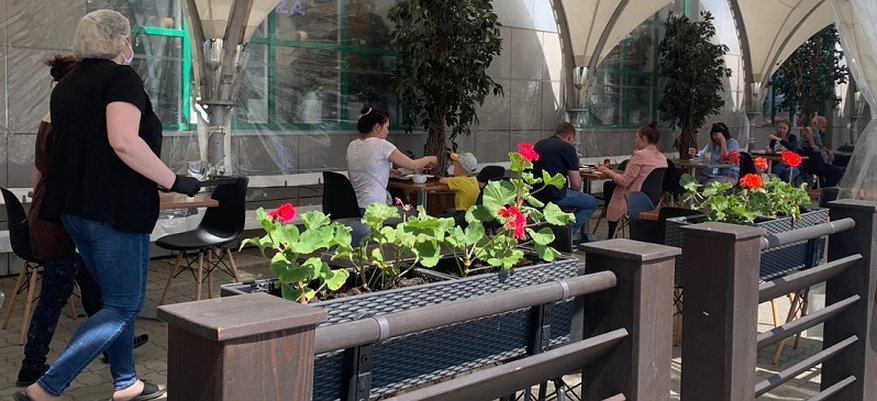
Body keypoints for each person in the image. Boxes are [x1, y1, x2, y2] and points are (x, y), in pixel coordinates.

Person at [18, 10, 200, 401]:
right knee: (122, 305)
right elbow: (124, 141)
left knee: (115, 300)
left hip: (75, 212)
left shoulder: (66, 86)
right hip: (114, 212)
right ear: (121, 41)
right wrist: (174, 180)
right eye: (128, 37)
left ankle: (126, 382)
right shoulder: (120, 78)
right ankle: (46, 387)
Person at [16, 55, 145, 388]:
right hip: (64, 215)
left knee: (97, 290)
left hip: (53, 210)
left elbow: (38, 172)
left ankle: (117, 356)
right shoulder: (73, 118)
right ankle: (35, 369)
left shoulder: (51, 116)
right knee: (58, 294)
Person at [346, 105, 437, 210]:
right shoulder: (381, 144)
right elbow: (414, 165)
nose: (388, 132)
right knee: (413, 212)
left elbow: (363, 169)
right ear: (377, 127)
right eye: (387, 127)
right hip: (377, 209)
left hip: (356, 207)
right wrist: (431, 158)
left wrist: (385, 171)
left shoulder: (352, 145)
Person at [597, 122, 667, 238]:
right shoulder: (662, 157)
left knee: (610, 187)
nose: (635, 141)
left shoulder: (640, 155)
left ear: (644, 139)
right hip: (653, 200)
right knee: (610, 186)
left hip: (635, 199)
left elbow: (624, 181)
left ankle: (611, 232)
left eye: (636, 137)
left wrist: (606, 171)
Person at [533, 122, 598, 241]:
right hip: (555, 194)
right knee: (591, 203)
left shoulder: (540, 144)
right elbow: (576, 184)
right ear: (569, 137)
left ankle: (555, 231)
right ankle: (564, 235)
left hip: (535, 194)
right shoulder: (567, 148)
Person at [802, 116, 844, 187]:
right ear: (816, 123)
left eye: (825, 123)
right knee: (838, 172)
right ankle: (824, 188)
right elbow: (808, 130)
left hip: (821, 162)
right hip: (816, 164)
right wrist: (812, 144)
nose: (825, 125)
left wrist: (827, 150)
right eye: (822, 123)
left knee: (835, 168)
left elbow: (820, 146)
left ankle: (820, 187)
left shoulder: (816, 132)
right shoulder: (813, 129)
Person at [768, 118, 801, 182]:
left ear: (788, 129)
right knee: (775, 173)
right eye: (780, 128)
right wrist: (769, 150)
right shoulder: (773, 140)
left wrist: (778, 139)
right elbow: (771, 150)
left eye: (784, 128)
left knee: (788, 174)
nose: (781, 130)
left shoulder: (792, 138)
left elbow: (792, 147)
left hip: (791, 165)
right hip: (778, 163)